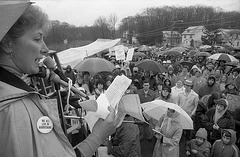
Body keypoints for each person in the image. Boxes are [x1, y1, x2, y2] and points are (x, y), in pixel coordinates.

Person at [0, 3, 119, 157]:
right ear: (8, 43)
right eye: (37, 39)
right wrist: (98, 136)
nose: (45, 49)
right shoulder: (13, 110)